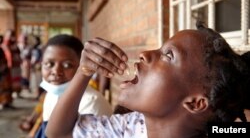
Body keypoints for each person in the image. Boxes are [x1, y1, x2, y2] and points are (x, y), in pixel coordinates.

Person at [46, 22, 250, 138]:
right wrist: (84, 71)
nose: (145, 54)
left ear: (196, 102)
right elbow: (59, 133)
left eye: (168, 56)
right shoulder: (132, 126)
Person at [34, 34, 113, 138]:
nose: (56, 72)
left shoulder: (91, 103)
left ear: (82, 66)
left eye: (67, 65)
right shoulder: (51, 95)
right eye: (49, 64)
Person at [1, 29, 21, 106]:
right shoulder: (4, 45)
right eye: (9, 35)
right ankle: (4, 102)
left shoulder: (14, 45)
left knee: (11, 84)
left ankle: (8, 101)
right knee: (5, 85)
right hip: (7, 68)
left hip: (14, 67)